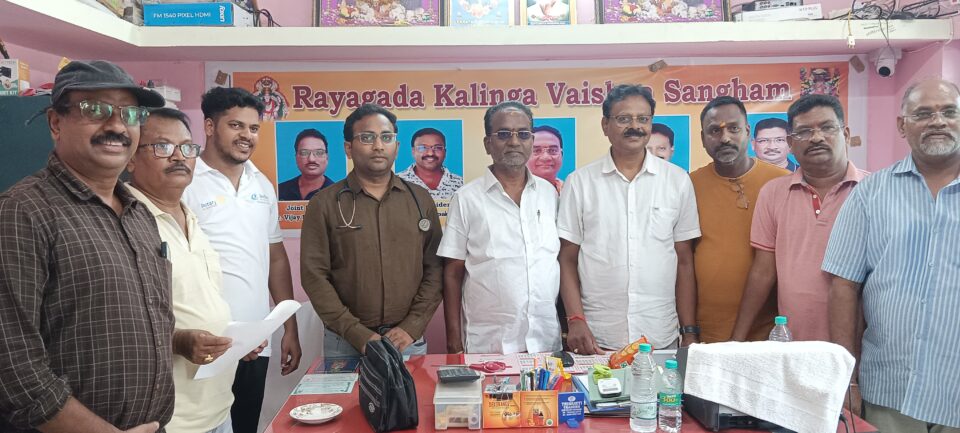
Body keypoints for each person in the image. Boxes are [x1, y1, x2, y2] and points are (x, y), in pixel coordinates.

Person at [0, 60, 172, 432]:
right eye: (95, 110)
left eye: (130, 113)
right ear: (55, 123)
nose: (117, 126)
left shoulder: (138, 213)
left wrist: (179, 340)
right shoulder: (23, 211)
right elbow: (12, 362)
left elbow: (124, 321)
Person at [824, 79, 960, 431]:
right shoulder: (870, 193)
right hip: (890, 389)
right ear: (902, 125)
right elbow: (843, 286)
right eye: (923, 114)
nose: (938, 121)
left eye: (949, 112)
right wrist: (848, 380)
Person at [126, 108, 267, 433]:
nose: (179, 157)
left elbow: (202, 303)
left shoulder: (191, 217)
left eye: (187, 148)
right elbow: (112, 323)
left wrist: (234, 342)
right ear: (131, 158)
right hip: (168, 417)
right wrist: (178, 342)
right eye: (163, 147)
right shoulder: (123, 222)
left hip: (215, 408)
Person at [183, 87, 302, 433]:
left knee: (247, 425)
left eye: (253, 128)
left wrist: (289, 327)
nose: (246, 136)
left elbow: (275, 258)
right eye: (235, 125)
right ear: (209, 126)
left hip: (255, 342)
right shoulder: (186, 182)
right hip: (204, 344)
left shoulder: (261, 184)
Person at [558, 84, 700, 353]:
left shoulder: (677, 181)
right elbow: (567, 259)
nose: (635, 126)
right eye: (624, 118)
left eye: (642, 118)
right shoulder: (580, 183)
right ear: (605, 125)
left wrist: (689, 331)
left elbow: (684, 260)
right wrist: (575, 320)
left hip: (660, 335)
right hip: (597, 337)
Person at [300, 104, 443, 357]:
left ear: (397, 147)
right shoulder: (324, 203)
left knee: (412, 388)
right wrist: (356, 333)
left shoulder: (420, 200)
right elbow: (314, 276)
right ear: (348, 148)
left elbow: (435, 268)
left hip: (406, 340)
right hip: (345, 341)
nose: (378, 146)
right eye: (367, 137)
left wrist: (412, 326)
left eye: (386, 137)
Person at [730, 94, 867, 343]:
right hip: (793, 344)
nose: (817, 138)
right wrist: (736, 340)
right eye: (804, 132)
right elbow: (763, 271)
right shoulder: (773, 193)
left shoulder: (874, 190)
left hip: (862, 346)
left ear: (846, 134)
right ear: (791, 143)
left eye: (827, 127)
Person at [439, 101, 562, 354]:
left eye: (523, 134)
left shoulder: (550, 194)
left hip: (546, 341)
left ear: (531, 141)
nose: (514, 142)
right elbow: (452, 272)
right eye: (504, 134)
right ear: (487, 143)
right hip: (489, 343)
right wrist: (453, 340)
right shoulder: (466, 198)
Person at [688, 96, 789, 343]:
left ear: (747, 132)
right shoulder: (689, 185)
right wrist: (688, 330)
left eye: (734, 128)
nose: (725, 138)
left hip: (770, 332)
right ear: (703, 138)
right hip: (706, 331)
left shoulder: (781, 183)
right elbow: (682, 261)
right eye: (714, 131)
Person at [397, 127, 464, 202]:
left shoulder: (460, 183)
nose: (430, 153)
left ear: (445, 152)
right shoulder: (397, 182)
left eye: (437, 147)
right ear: (413, 151)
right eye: (423, 147)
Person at [277, 128, 335, 201]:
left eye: (319, 153)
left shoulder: (337, 193)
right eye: (304, 153)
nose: (311, 159)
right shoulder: (280, 191)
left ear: (327, 157)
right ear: (296, 157)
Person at [527, 124, 565, 193]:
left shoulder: (569, 190)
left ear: (561, 155)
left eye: (552, 150)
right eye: (537, 151)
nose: (545, 157)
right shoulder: (513, 192)